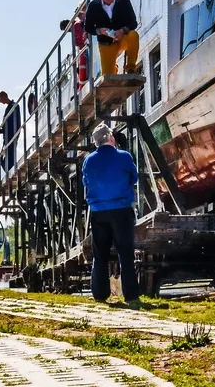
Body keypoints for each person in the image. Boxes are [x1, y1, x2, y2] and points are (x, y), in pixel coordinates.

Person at [82, 123, 140, 304]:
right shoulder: (124, 156)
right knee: (126, 252)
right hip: (121, 210)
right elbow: (134, 177)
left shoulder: (88, 160)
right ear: (111, 138)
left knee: (100, 254)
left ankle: (100, 293)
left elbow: (86, 182)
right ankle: (130, 294)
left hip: (99, 212)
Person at [85, 0, 139, 75]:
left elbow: (133, 22)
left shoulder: (124, 1)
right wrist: (99, 31)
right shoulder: (93, 6)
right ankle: (114, 69)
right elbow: (88, 27)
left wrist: (122, 30)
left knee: (133, 35)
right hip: (106, 43)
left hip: (123, 38)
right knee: (108, 75)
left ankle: (130, 68)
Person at [0, 91, 21, 172]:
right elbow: (7, 124)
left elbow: (14, 122)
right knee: (4, 156)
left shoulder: (14, 106)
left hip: (12, 134)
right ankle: (10, 171)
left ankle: (11, 170)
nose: (0, 101)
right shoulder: (9, 107)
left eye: (0, 99)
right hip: (8, 135)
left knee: (9, 154)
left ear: (4, 97)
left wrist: (15, 133)